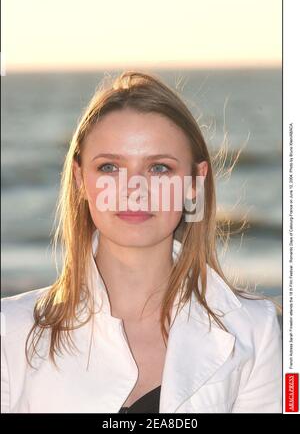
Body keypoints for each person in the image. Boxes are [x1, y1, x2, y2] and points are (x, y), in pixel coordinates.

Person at [1, 71, 282, 413]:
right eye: (109, 168)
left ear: (195, 183)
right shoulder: (11, 331)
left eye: (159, 169)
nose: (134, 189)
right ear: (79, 180)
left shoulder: (255, 329)